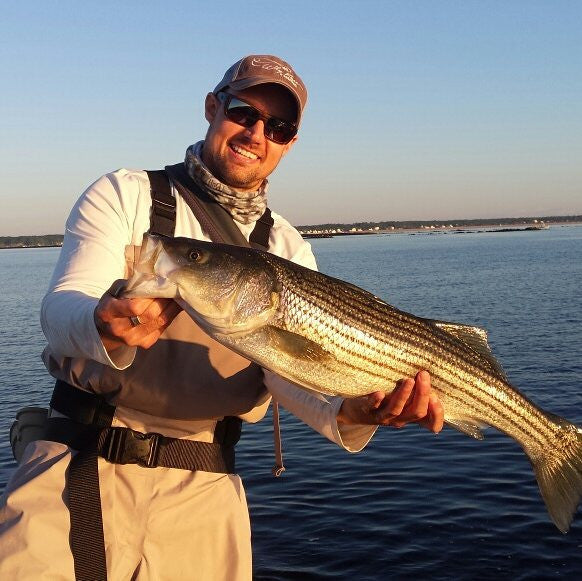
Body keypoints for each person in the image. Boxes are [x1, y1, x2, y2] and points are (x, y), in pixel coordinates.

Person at [0, 55, 444, 580]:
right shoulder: (127, 193)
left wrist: (355, 413)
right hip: (78, 464)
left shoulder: (288, 247)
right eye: (243, 111)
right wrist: (102, 321)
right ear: (213, 108)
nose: (257, 132)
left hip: (204, 488)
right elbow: (60, 306)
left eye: (279, 126)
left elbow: (288, 374)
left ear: (289, 143)